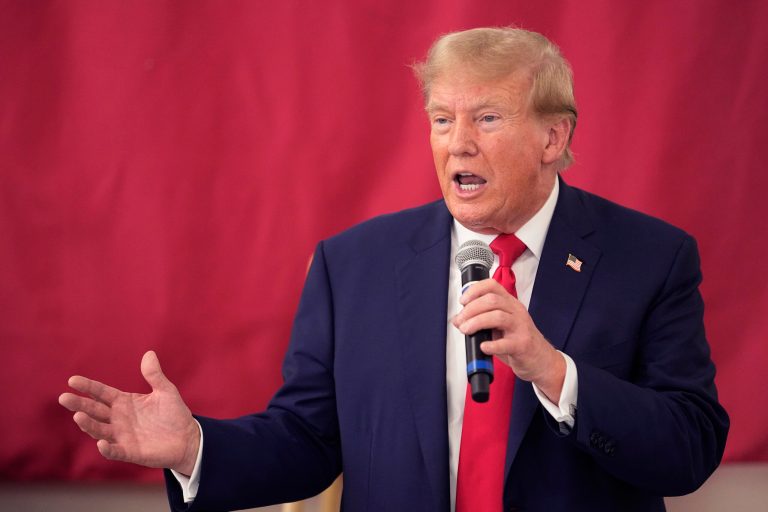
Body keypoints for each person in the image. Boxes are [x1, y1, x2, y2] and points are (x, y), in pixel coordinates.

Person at [59, 27, 729, 511]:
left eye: (487, 118)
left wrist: (556, 374)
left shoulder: (651, 257)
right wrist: (194, 448)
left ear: (554, 137)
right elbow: (306, 440)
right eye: (442, 119)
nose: (458, 142)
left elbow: (690, 449)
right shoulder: (353, 265)